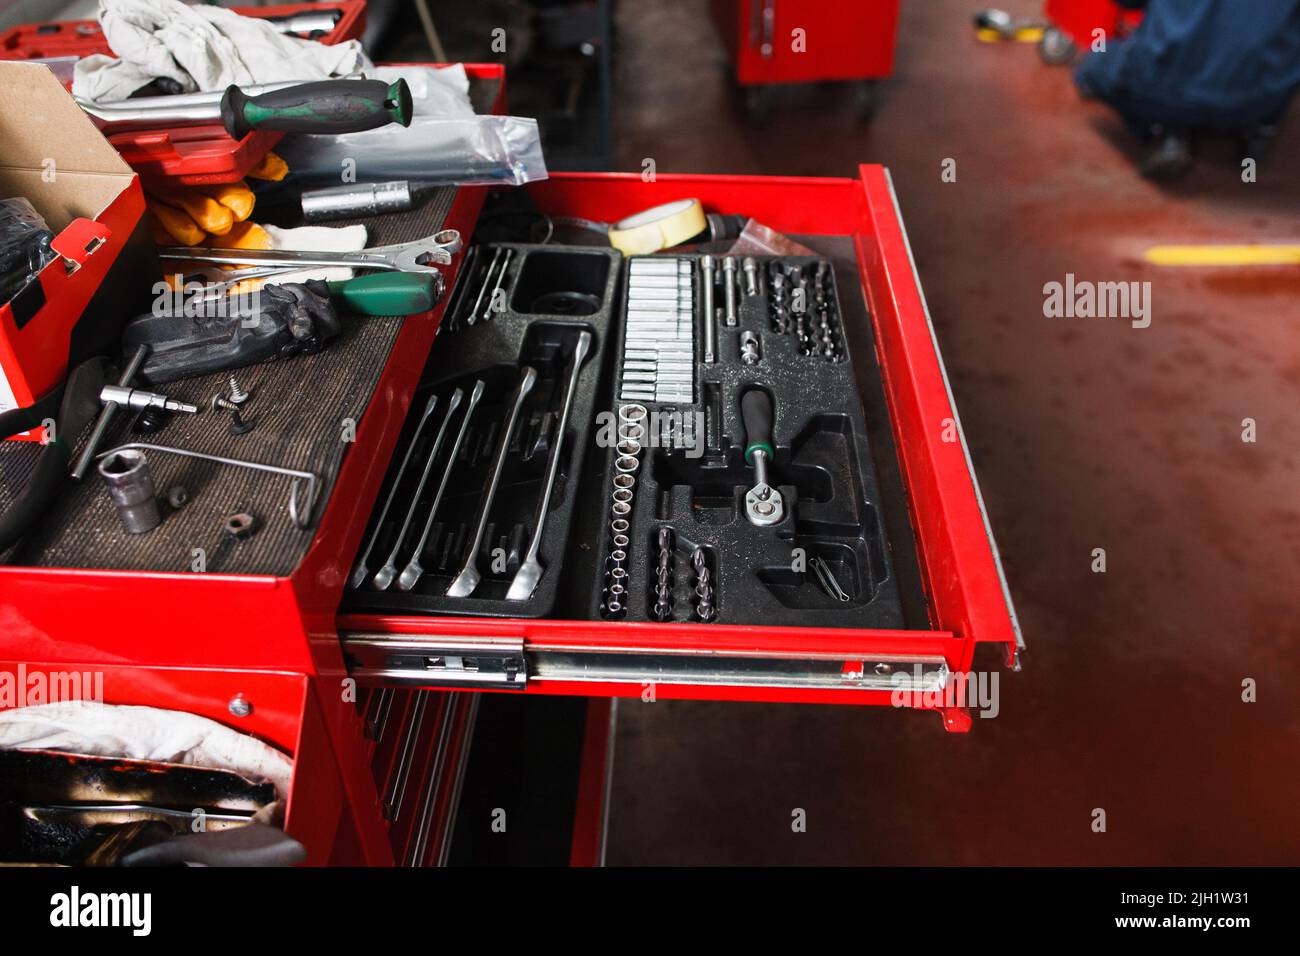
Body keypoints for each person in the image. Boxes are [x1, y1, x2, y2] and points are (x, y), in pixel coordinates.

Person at [1075, 0, 1300, 179]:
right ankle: (1261, 129)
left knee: (1093, 68)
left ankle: (1163, 132)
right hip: (1258, 98)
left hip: (1165, 91)